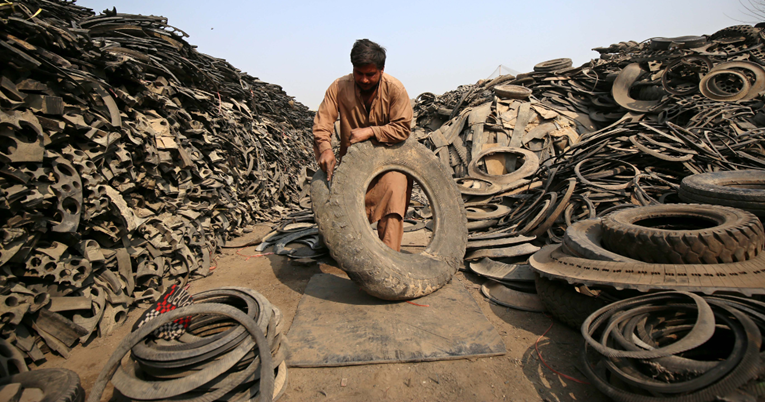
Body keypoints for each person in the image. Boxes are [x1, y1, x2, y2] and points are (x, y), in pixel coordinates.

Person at [313, 39, 414, 252]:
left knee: (392, 199)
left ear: (382, 70)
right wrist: (325, 148)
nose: (365, 79)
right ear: (353, 68)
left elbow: (402, 128)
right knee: (340, 219)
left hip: (389, 164)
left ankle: (390, 262)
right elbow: (323, 122)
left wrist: (371, 131)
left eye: (371, 74)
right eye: (359, 73)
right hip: (352, 165)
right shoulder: (339, 87)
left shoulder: (395, 89)